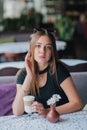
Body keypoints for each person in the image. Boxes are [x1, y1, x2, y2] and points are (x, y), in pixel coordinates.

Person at [12, 28, 82, 117]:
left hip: (59, 121)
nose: (42, 51)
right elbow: (17, 112)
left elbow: (77, 103)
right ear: (31, 49)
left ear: (52, 51)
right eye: (38, 46)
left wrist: (47, 111)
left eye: (48, 47)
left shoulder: (58, 70)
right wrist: (30, 76)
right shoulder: (23, 74)